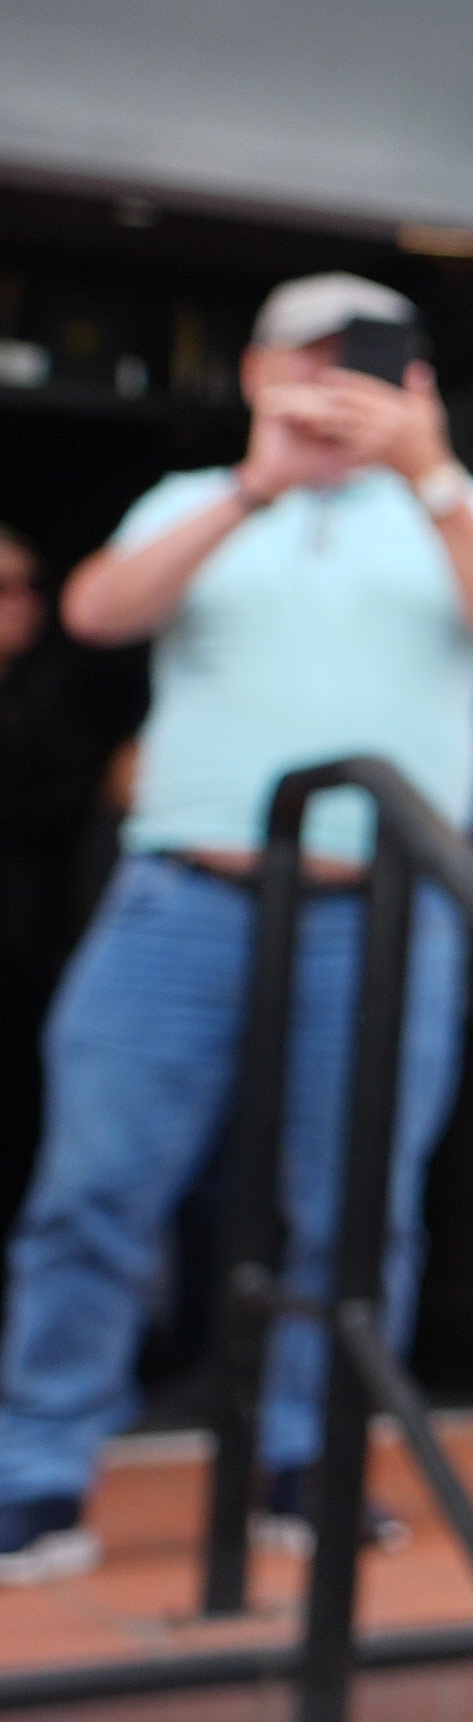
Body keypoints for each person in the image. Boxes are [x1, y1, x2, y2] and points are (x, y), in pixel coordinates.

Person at [0, 275, 473, 1584]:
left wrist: (431, 477)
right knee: (95, 1188)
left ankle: (313, 1459)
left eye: (366, 363)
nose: (334, 386)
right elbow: (94, 613)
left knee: (356, 1204)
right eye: (310, 360)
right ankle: (36, 1471)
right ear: (256, 372)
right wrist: (255, 485)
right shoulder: (197, 502)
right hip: (182, 897)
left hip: (376, 912)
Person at [0, 523, 136, 1274]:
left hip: (32, 958)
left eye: (31, 588)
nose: (22, 604)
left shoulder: (57, 697)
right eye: (3, 589)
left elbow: (75, 807)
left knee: (35, 1140)